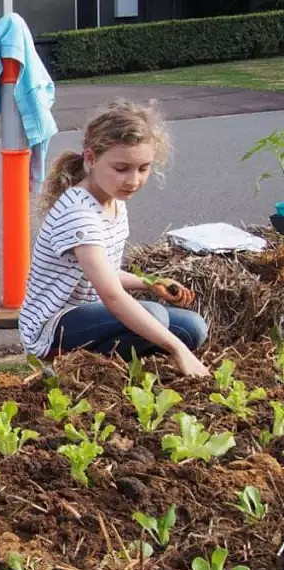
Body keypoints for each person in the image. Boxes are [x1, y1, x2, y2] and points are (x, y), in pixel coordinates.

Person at [18, 101, 209, 377]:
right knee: (157, 319)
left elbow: (107, 272)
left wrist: (150, 284)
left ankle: (117, 365)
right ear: (91, 158)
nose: (134, 180)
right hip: (53, 325)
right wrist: (178, 350)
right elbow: (112, 296)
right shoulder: (79, 214)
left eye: (143, 168)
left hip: (91, 314)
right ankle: (70, 368)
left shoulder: (113, 202)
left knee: (192, 328)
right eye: (122, 168)